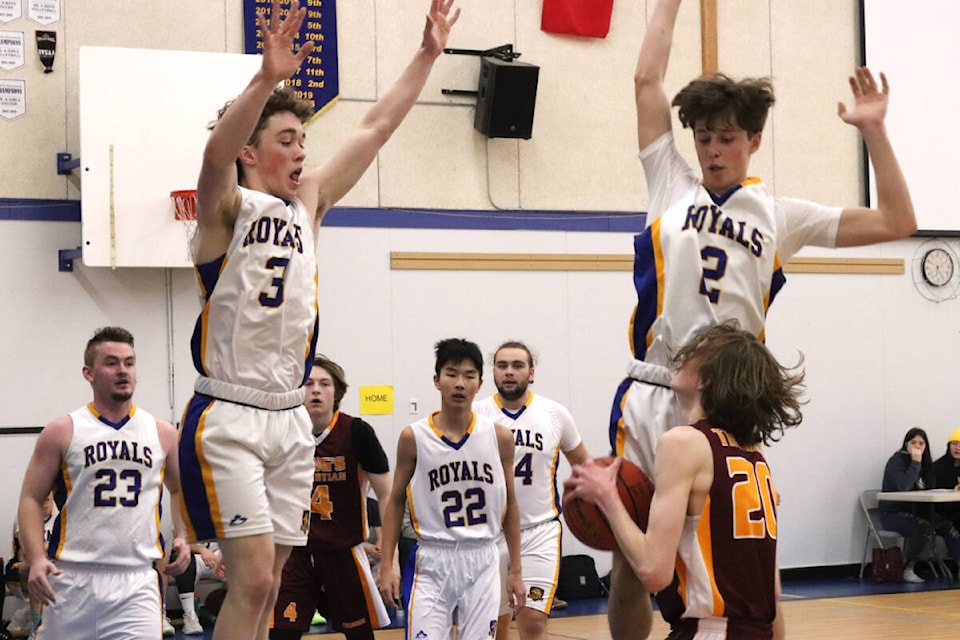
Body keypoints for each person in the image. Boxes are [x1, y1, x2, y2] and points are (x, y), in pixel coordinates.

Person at [607, 0, 918, 636]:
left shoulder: (780, 215)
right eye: (704, 137)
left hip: (727, 398)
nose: (713, 150)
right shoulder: (670, 183)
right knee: (630, 558)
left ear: (753, 139)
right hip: (651, 385)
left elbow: (898, 222)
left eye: (726, 138)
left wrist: (875, 132)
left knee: (753, 557)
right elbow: (646, 82)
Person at [176, 0, 461, 638]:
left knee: (272, 586)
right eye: (286, 140)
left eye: (304, 140)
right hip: (230, 413)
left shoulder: (309, 206)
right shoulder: (227, 207)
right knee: (249, 581)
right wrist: (264, 80)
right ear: (252, 152)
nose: (301, 151)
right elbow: (216, 152)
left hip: (289, 417)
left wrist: (425, 56)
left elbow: (375, 127)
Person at [567, 323, 803, 639]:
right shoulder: (753, 455)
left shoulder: (683, 443)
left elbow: (654, 571)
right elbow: (771, 589)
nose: (681, 357)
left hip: (709, 632)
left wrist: (608, 497)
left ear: (705, 378)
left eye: (693, 353)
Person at [16, 326, 191, 640]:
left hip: (136, 581)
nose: (123, 370)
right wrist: (37, 558)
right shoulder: (63, 431)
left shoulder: (161, 432)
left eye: (129, 362)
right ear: (89, 373)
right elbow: (30, 499)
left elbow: (178, 489)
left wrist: (182, 534)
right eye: (111, 362)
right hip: (72, 580)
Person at [378, 339, 526, 640]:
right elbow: (394, 502)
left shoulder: (499, 437)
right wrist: (386, 565)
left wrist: (516, 571)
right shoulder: (413, 437)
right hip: (433, 557)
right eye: (451, 374)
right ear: (437, 380)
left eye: (469, 376)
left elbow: (510, 504)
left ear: (480, 384)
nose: (460, 383)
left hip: (483, 557)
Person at [269, 355, 393, 640]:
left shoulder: (357, 432)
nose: (315, 390)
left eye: (324, 384)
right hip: (294, 552)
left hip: (343, 552)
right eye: (308, 383)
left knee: (359, 635)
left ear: (336, 392)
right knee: (281, 634)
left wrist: (391, 556)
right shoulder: (281, 432)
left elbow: (387, 495)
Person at [473, 341, 588, 640]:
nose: (509, 372)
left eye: (517, 365)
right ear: (493, 373)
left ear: (531, 372)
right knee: (495, 628)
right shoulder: (475, 415)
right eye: (502, 366)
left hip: (540, 530)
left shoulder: (555, 414)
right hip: (490, 534)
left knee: (533, 619)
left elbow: (584, 466)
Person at [878, 428, 960, 582]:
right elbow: (903, 486)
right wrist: (915, 462)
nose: (917, 446)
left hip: (916, 509)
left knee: (947, 526)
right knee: (923, 527)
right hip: (892, 513)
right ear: (906, 444)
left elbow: (928, 488)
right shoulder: (896, 461)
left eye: (921, 443)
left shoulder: (926, 463)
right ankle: (908, 568)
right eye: (913, 442)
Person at [5, 492, 56, 637]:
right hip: (19, 570)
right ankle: (36, 628)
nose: (45, 496)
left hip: (50, 570)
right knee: (38, 565)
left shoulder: (63, 517)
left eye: (49, 493)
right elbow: (27, 553)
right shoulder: (26, 514)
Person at [933, 428, 960, 529]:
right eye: (954, 444)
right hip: (943, 509)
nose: (958, 448)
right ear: (949, 446)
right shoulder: (938, 466)